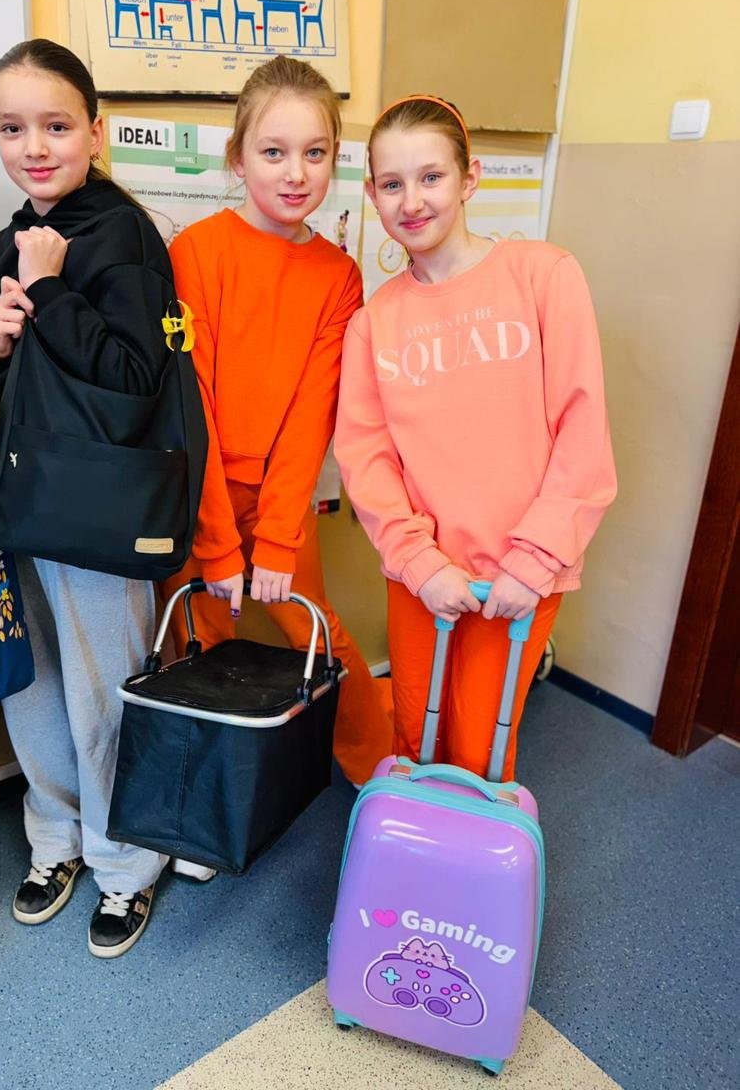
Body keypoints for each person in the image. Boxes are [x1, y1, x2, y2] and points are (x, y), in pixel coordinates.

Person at [0, 40, 173, 958]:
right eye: (13, 128)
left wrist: (51, 291)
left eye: (56, 125)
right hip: (13, 511)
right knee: (33, 683)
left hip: (97, 516)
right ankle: (55, 837)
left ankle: (127, 861)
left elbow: (134, 379)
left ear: (95, 129)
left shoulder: (126, 237)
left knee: (107, 690)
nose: (35, 147)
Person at [334, 95, 616, 780]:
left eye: (431, 177)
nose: (412, 201)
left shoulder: (543, 275)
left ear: (470, 178)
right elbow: (366, 458)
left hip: (517, 573)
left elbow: (582, 427)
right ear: (371, 194)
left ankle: (469, 850)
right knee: (415, 734)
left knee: (479, 746)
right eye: (392, 184)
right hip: (424, 575)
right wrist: (420, 563)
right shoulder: (375, 323)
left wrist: (534, 560)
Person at [161, 56, 394, 864]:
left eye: (315, 153)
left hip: (281, 496)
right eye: (274, 151)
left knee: (317, 634)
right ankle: (194, 806)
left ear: (335, 159)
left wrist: (277, 539)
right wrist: (220, 544)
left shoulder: (339, 276)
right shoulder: (197, 251)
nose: (296, 173)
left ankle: (383, 771)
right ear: (237, 158)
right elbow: (192, 404)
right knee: (193, 639)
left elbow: (311, 416)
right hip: (197, 492)